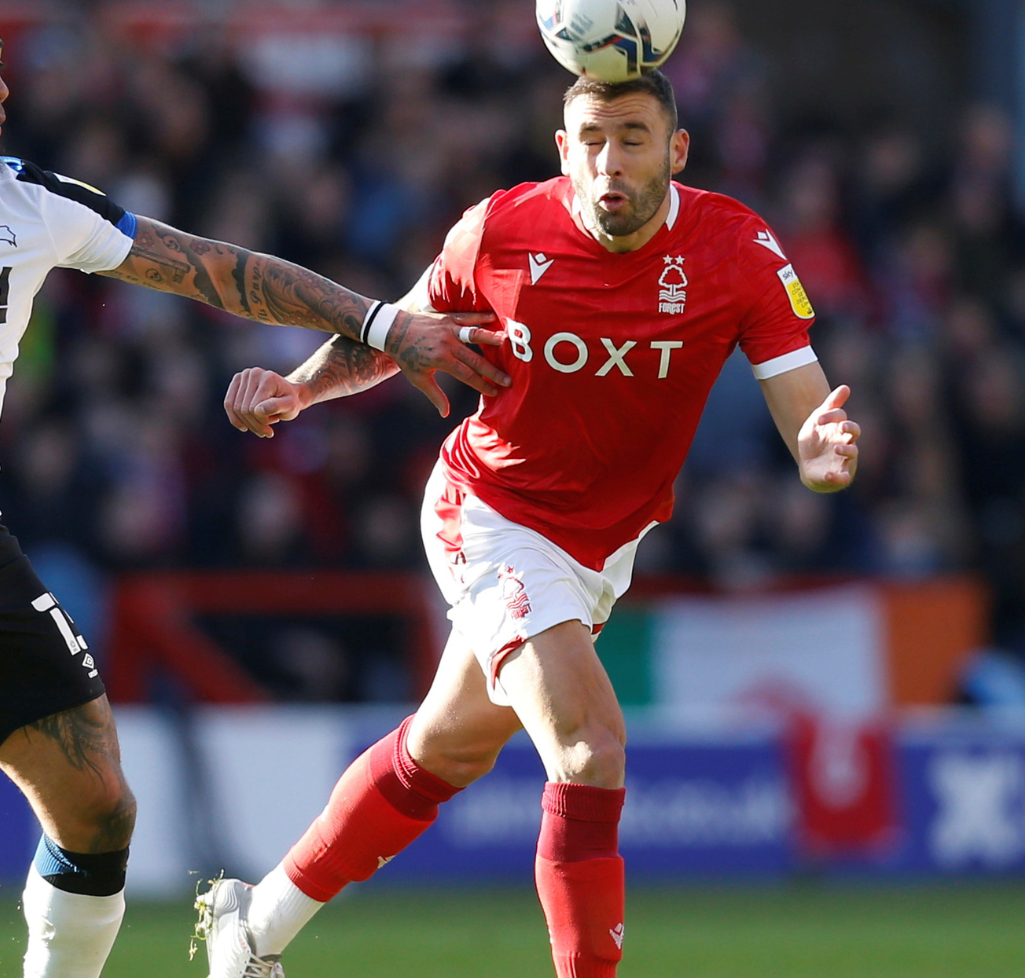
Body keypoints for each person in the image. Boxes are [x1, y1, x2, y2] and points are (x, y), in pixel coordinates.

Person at [0, 0, 506, 978]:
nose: (0, 86)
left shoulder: (29, 205)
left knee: (102, 810)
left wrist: (381, 324)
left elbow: (212, 267)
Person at [205, 68, 863, 978]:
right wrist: (300, 388)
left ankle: (250, 930)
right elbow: (397, 334)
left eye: (633, 138)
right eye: (591, 139)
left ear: (677, 151)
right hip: (491, 512)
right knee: (591, 746)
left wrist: (821, 453)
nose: (610, 162)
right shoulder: (503, 229)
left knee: (442, 750)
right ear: (564, 150)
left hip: (601, 547)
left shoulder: (737, 247)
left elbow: (805, 412)